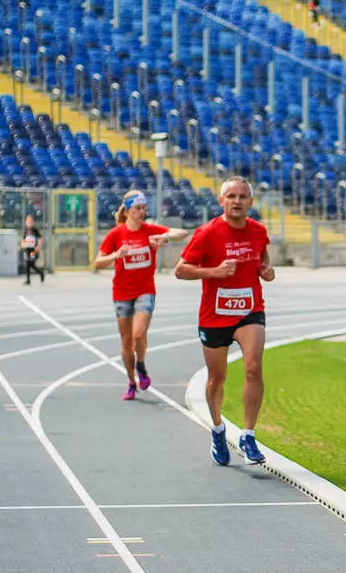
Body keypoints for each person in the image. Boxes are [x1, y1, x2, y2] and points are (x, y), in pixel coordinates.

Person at [175, 176, 275, 466]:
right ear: (221, 201)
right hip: (215, 316)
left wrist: (267, 271)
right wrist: (214, 272)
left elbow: (263, 261)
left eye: (242, 196)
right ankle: (218, 429)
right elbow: (181, 270)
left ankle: (248, 435)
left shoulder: (258, 231)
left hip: (249, 311)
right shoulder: (207, 233)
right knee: (216, 379)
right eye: (231, 196)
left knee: (254, 368)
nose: (237, 201)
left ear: (250, 202)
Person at [93, 190, 190, 400]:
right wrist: (115, 255)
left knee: (139, 334)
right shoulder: (116, 235)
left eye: (144, 207)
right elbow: (97, 262)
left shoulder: (150, 230)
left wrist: (163, 237)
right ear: (127, 210)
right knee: (127, 342)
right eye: (138, 208)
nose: (142, 211)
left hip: (145, 291)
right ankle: (131, 381)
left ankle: (142, 366)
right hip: (121, 293)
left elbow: (182, 233)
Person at [20, 214, 45, 285]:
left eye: (30, 221)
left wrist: (38, 246)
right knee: (28, 264)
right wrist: (22, 244)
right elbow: (23, 240)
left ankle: (40, 273)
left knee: (31, 264)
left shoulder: (35, 230)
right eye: (28, 221)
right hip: (27, 250)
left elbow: (40, 239)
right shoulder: (26, 231)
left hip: (33, 250)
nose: (29, 222)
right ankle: (28, 280)